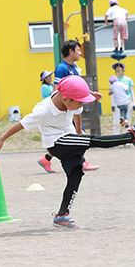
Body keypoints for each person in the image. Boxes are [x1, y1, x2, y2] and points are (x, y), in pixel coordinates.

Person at [0, 75, 135, 229]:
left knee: (76, 174)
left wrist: (80, 127)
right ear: (66, 100)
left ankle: (62, 215)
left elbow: (76, 108)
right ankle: (132, 136)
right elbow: (21, 124)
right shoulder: (43, 111)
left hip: (69, 136)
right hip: (57, 143)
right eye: (79, 101)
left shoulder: (69, 100)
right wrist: (1, 139)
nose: (81, 105)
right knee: (92, 140)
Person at [38, 40, 100, 173]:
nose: (79, 53)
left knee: (71, 136)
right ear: (71, 51)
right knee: (79, 134)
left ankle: (46, 159)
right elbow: (58, 89)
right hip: (67, 108)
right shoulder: (62, 68)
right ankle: (82, 162)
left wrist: (90, 93)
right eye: (78, 50)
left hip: (74, 106)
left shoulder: (75, 67)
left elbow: (76, 88)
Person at [112, 62, 135, 129]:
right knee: (117, 120)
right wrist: (113, 105)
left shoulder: (128, 79)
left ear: (123, 69)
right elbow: (112, 94)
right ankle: (116, 136)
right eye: (116, 67)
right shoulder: (114, 80)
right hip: (118, 102)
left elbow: (132, 92)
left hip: (127, 100)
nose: (118, 68)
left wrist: (134, 103)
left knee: (127, 119)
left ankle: (127, 136)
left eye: (120, 67)